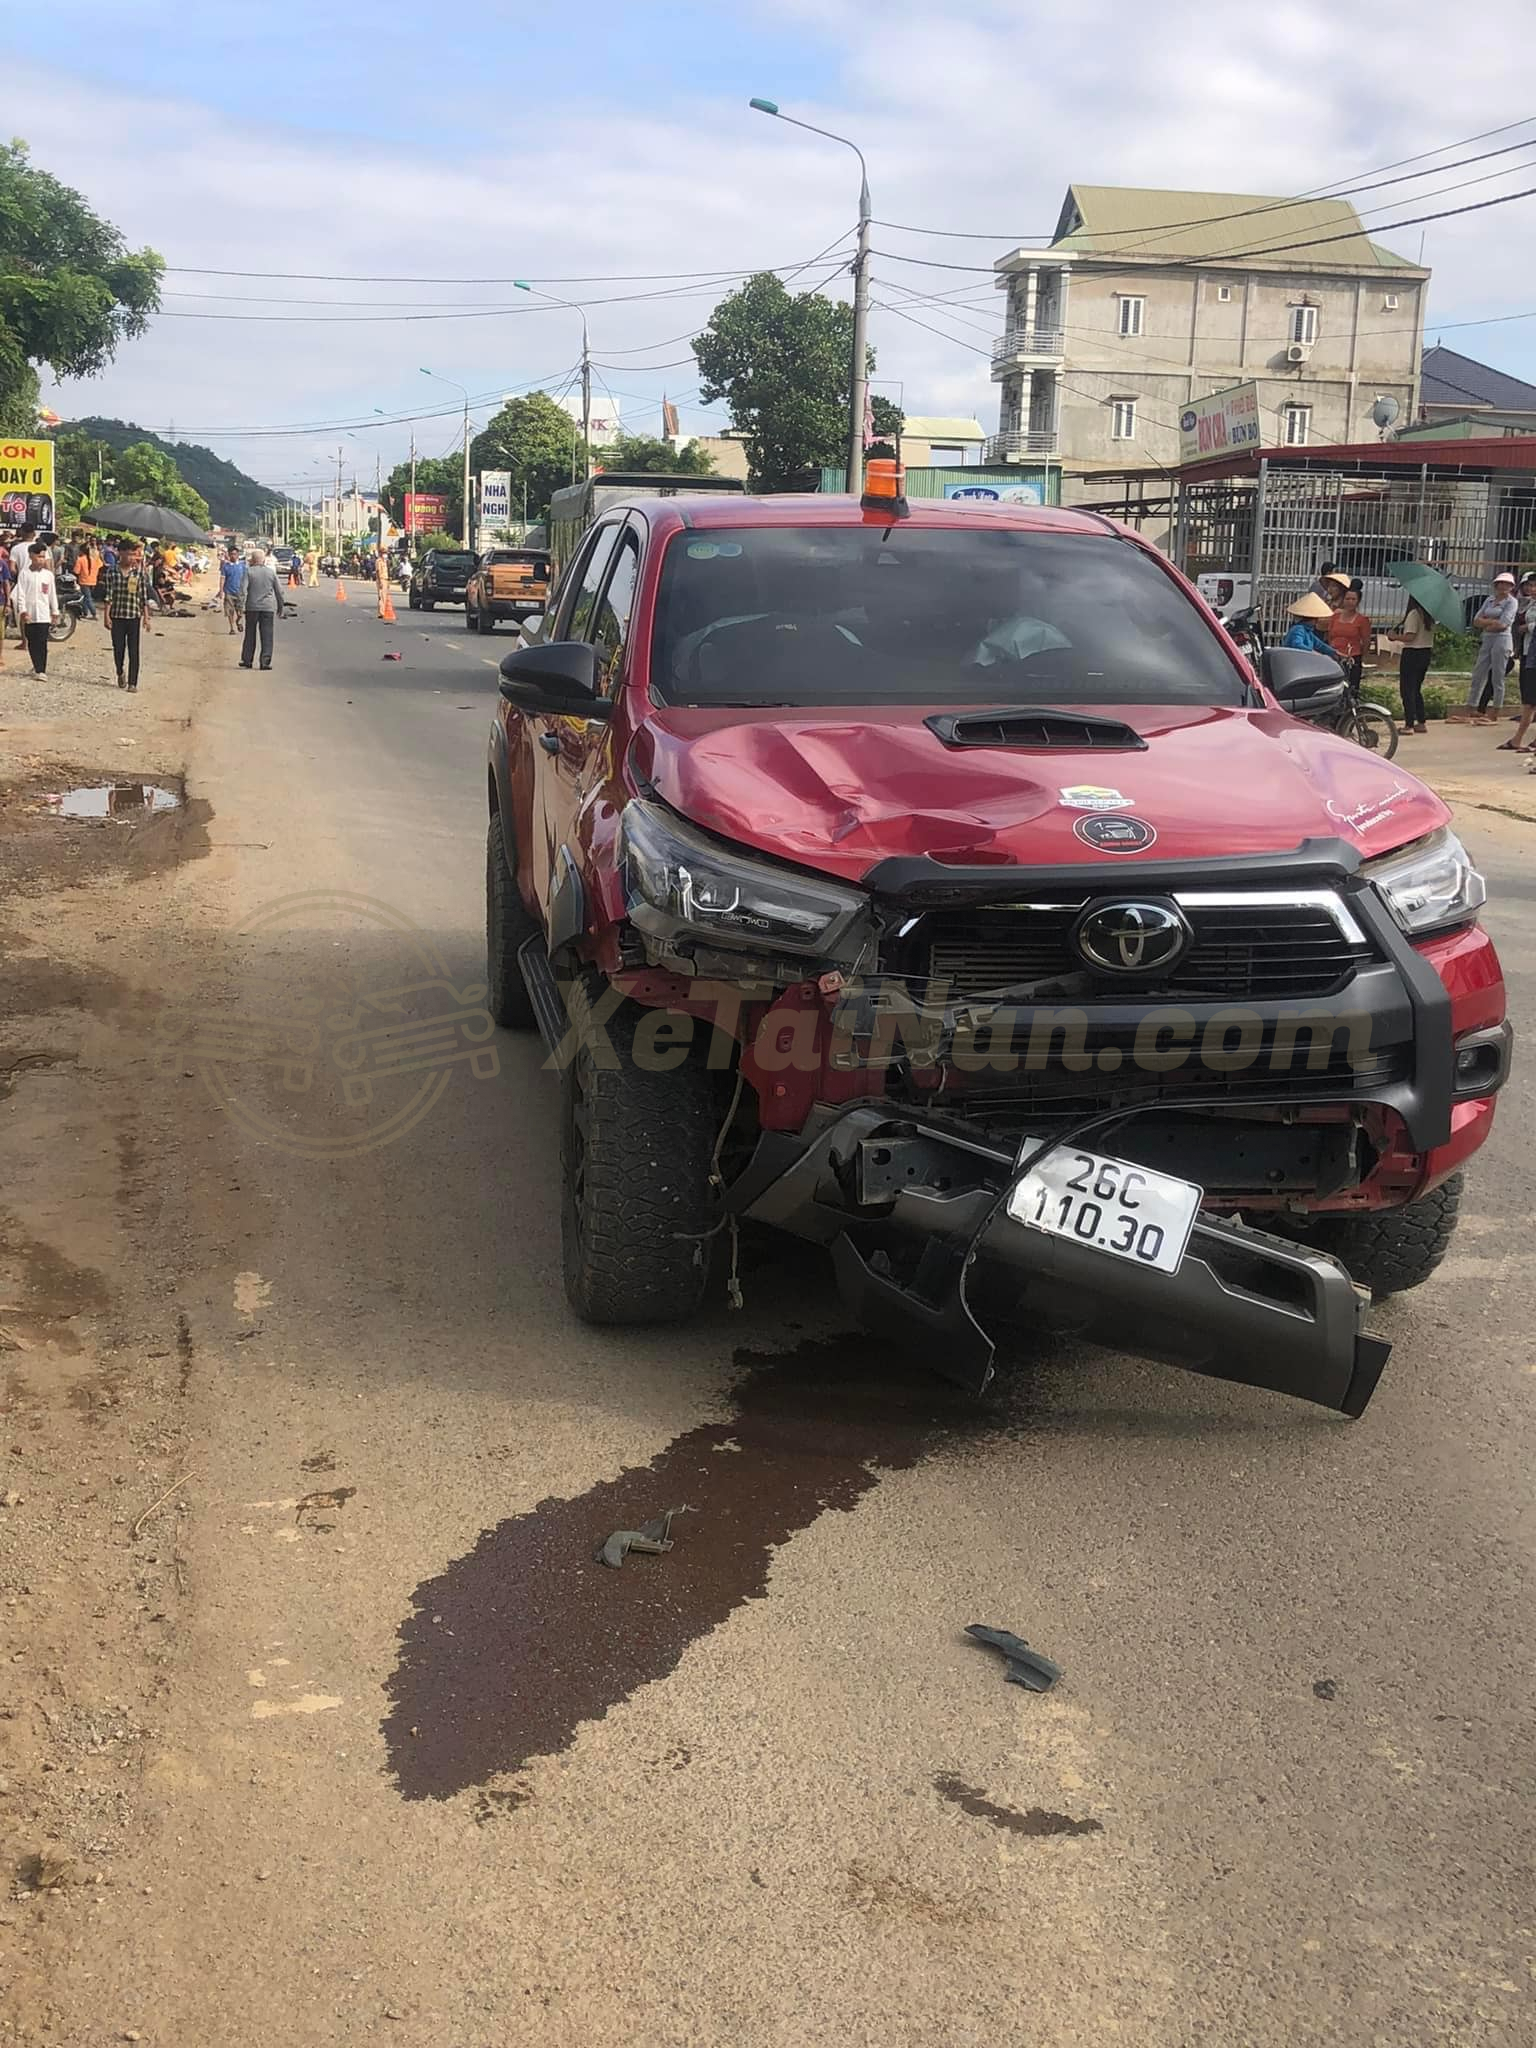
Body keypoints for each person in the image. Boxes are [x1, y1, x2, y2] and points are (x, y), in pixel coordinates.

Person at [1465, 572, 1519, 723]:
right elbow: (1476, 620)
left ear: (1511, 586)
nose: (1503, 586)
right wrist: (1491, 622)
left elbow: (1503, 624)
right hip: (1487, 638)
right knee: (1478, 673)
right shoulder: (1489, 600)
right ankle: (1471, 707)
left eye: (1507, 584)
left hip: (1502, 640)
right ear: (1496, 585)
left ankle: (1495, 710)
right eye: (1501, 583)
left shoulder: (1511, 602)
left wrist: (1487, 622)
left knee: (1497, 675)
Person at [100, 538, 153, 690]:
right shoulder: (112, 572)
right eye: (129, 554)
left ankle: (133, 683)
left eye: (134, 555)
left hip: (133, 615)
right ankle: (120, 671)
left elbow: (143, 597)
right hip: (117, 616)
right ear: (121, 553)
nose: (131, 558)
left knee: (134, 650)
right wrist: (106, 616)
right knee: (118, 648)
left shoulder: (138, 574)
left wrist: (146, 618)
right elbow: (108, 596)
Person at [1387, 598, 1435, 736]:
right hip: (1425, 652)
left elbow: (1410, 637)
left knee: (1407, 689)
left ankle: (1409, 724)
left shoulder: (1414, 614)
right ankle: (1421, 721)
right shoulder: (1429, 615)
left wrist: (1394, 636)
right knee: (1416, 689)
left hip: (1412, 653)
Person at [14, 540, 60, 676]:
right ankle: (36, 665)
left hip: (44, 614)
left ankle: (41, 670)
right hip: (29, 614)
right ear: (31, 556)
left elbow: (52, 594)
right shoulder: (24, 574)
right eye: (38, 557)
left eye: (43, 557)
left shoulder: (48, 575)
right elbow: (20, 594)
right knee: (32, 642)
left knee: (42, 642)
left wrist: (55, 611)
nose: (41, 560)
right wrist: (22, 610)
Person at [240, 547, 282, 670]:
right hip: (268, 608)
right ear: (264, 561)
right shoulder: (271, 572)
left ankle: (247, 660)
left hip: (252, 607)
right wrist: (280, 607)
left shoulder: (249, 571)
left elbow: (243, 591)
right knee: (267, 635)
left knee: (250, 634)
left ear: (252, 560)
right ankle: (265, 662)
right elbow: (279, 591)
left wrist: (240, 607)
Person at [1326, 583, 1372, 685]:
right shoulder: (1335, 617)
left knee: (1351, 686)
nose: (1350, 602)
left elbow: (1366, 641)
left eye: (1353, 599)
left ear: (1358, 601)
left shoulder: (1362, 620)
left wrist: (1360, 655)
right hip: (1334, 656)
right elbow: (1329, 635)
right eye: (1347, 599)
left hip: (1352, 657)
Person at [218, 545, 247, 635]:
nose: (233, 556)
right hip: (229, 592)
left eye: (235, 554)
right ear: (229, 555)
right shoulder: (226, 566)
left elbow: (247, 578)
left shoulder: (243, 566)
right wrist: (221, 591)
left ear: (238, 555)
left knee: (240, 612)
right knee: (230, 611)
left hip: (240, 592)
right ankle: (232, 628)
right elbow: (222, 579)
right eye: (231, 554)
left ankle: (238, 621)